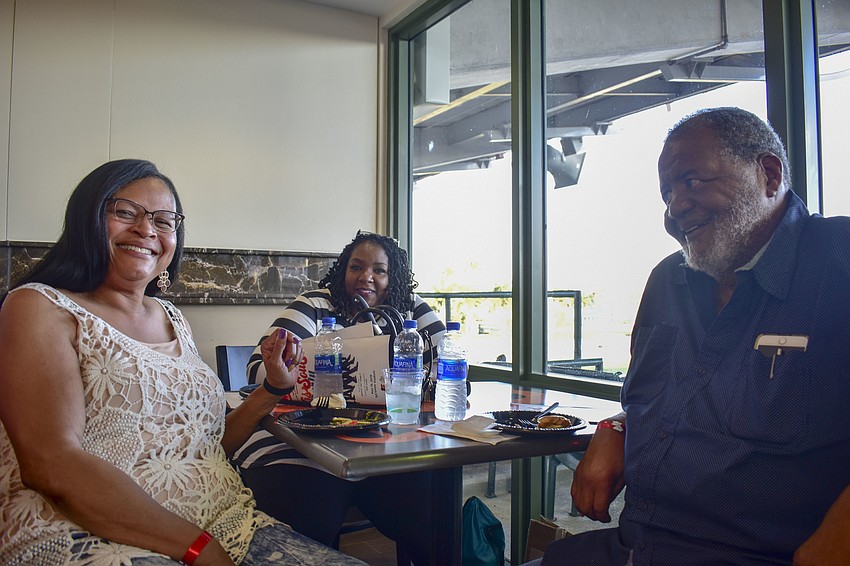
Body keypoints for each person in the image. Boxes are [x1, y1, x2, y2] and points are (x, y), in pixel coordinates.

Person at [0, 159, 365, 565]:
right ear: (86, 217)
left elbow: (203, 448)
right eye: (125, 212)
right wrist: (198, 547)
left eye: (164, 220)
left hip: (230, 525)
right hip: (92, 534)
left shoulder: (171, 318)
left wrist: (274, 388)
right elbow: (52, 464)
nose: (147, 229)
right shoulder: (40, 307)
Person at [540, 108, 850, 566]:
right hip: (633, 547)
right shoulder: (668, 280)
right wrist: (617, 427)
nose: (674, 207)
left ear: (768, 173)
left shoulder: (838, 263)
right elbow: (651, 398)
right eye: (667, 193)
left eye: (691, 181)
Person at [235, 231, 446, 565]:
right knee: (307, 521)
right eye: (356, 267)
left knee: (435, 521)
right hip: (298, 446)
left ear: (395, 278)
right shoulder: (316, 305)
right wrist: (300, 376)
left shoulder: (410, 310)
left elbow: (449, 361)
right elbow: (256, 368)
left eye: (379, 270)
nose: (367, 277)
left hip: (382, 453)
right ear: (342, 271)